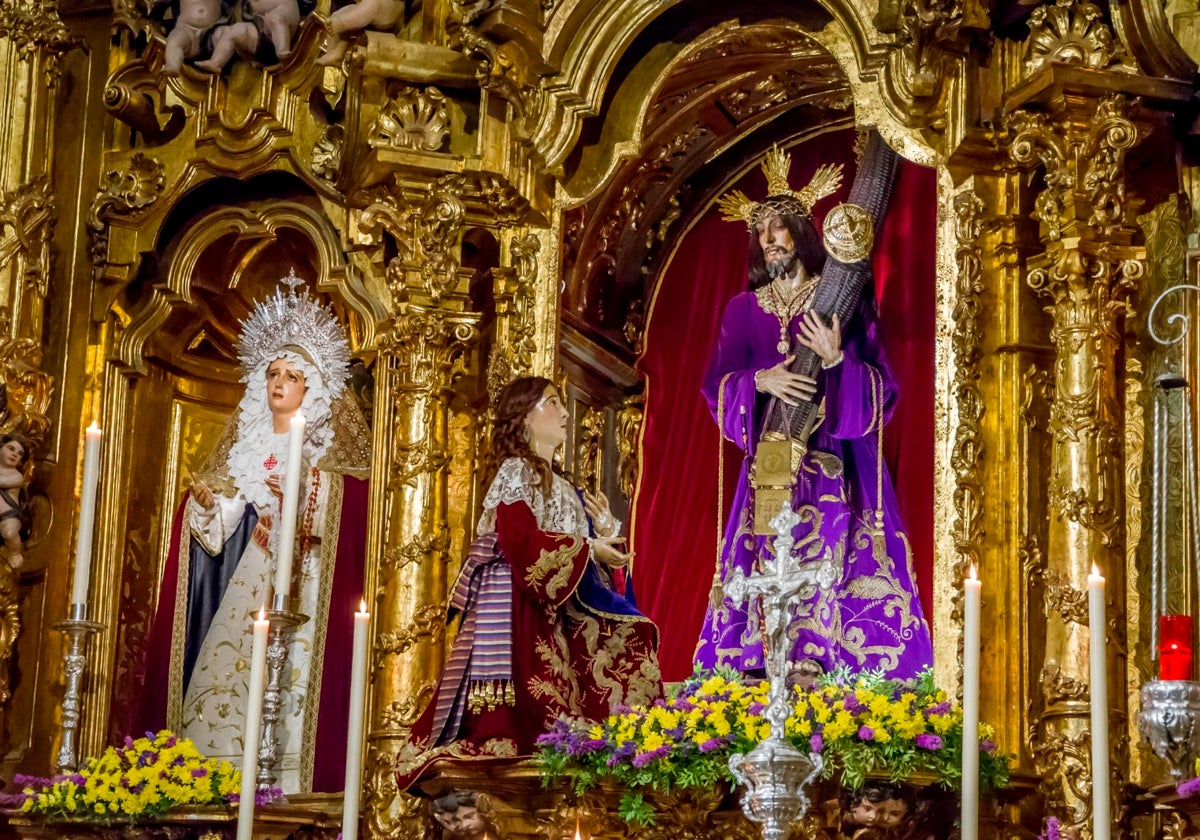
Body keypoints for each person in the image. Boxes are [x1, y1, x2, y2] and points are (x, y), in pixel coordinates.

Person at [698, 148, 933, 679]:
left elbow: (883, 386)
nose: (772, 239)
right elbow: (715, 386)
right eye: (763, 232)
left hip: (834, 458)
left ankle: (833, 662)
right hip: (772, 462)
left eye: (781, 228)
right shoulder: (743, 309)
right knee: (762, 561)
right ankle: (763, 662)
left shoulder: (846, 298)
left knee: (836, 556)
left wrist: (835, 360)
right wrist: (759, 380)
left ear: (804, 232)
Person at [138, 271, 371, 793]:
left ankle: (290, 776)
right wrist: (206, 508)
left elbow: (350, 509)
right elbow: (227, 526)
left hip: (308, 580)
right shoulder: (248, 446)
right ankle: (223, 770)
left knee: (295, 685)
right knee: (230, 676)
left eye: (291, 374)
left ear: (313, 387)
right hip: (255, 574)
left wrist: (304, 489)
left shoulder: (325, 452)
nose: (279, 382)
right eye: (273, 372)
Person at [396, 376, 662, 787]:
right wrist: (591, 547)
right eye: (552, 403)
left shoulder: (569, 487)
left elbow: (587, 557)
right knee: (529, 709)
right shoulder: (516, 471)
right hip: (519, 603)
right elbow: (518, 538)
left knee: (633, 632)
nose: (565, 412)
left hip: (557, 603)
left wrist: (605, 534)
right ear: (523, 418)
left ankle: (623, 744)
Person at [0, 434, 31, 570]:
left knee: (9, 532)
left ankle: (15, 553)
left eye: (19, 454)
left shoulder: (16, 476)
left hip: (9, 514)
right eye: (10, 449)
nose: (14, 454)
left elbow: (1, 482)